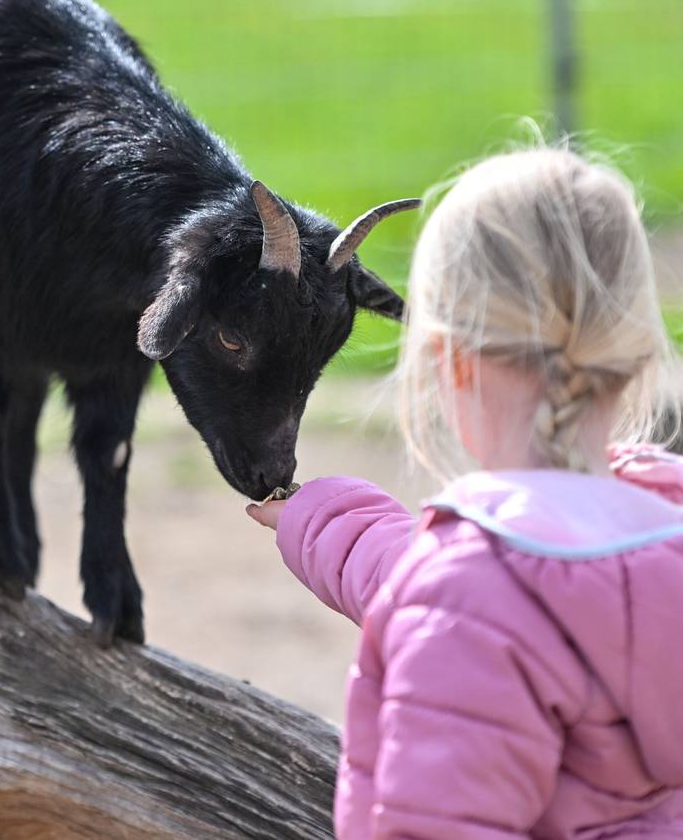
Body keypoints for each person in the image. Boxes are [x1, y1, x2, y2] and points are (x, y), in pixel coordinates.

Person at [247, 147, 683, 837]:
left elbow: (465, 604)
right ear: (630, 360)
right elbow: (458, 591)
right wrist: (320, 517)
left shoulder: (470, 596)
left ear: (448, 361)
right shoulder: (661, 523)